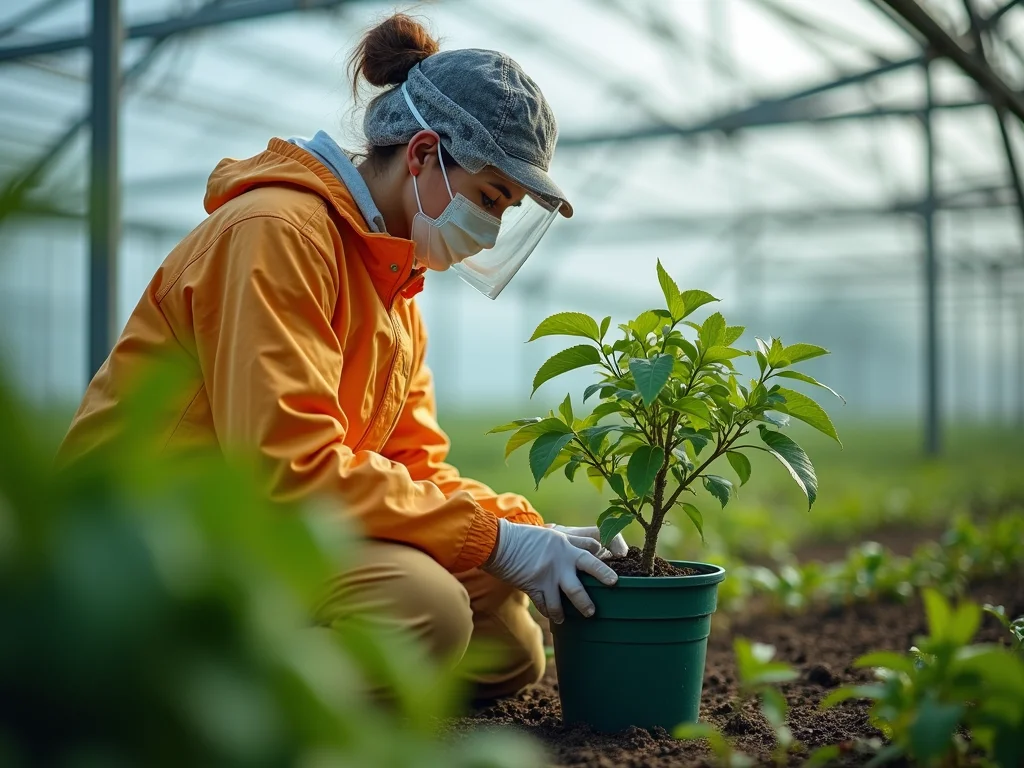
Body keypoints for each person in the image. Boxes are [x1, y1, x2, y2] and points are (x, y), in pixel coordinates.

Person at [56, 13, 627, 699]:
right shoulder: (277, 233)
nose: (492, 228)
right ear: (421, 155)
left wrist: (523, 530)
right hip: (154, 539)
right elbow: (288, 464)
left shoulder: (395, 289)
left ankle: (294, 677)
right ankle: (154, 695)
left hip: (262, 523)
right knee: (427, 613)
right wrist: (497, 543)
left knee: (506, 643)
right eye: (489, 199)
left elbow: (413, 464)